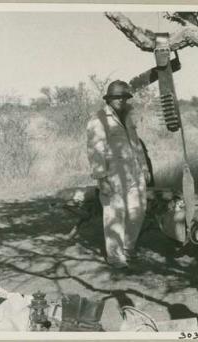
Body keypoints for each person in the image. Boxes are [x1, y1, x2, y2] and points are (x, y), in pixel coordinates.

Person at [86, 80, 150, 270]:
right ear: (109, 98)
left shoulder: (128, 117)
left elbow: (137, 145)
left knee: (137, 213)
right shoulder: (98, 120)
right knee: (115, 215)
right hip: (113, 176)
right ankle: (115, 257)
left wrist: (145, 168)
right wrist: (101, 178)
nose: (120, 101)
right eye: (116, 97)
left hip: (135, 173)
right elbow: (95, 150)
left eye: (123, 97)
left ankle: (128, 250)